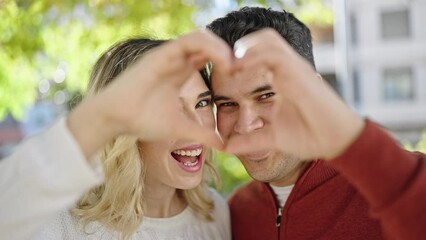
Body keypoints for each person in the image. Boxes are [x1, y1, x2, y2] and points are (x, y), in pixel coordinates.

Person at [206, 7, 426, 240]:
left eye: (266, 96)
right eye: (227, 104)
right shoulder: (234, 213)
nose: (246, 125)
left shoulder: (400, 186)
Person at [0, 30, 234, 240]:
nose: (197, 126)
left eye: (203, 102)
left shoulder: (216, 214)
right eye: (170, 106)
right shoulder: (63, 222)